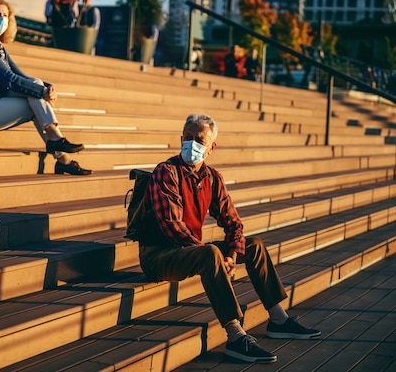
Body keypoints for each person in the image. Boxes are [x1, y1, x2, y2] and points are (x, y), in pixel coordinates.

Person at [136, 113, 320, 363]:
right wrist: (212, 255)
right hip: (158, 256)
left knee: (253, 246)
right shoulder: (166, 172)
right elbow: (172, 225)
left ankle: (279, 319)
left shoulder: (212, 177)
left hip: (189, 252)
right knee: (209, 253)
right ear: (180, 139)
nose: (192, 144)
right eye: (188, 138)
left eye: (199, 140)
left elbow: (233, 222)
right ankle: (235, 336)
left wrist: (232, 254)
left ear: (211, 148)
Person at [0, 0, 91, 176]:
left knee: (35, 87)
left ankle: (61, 155)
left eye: (5, 15)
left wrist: (48, 87)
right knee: (35, 99)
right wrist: (41, 92)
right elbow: (9, 80)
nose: (1, 19)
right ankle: (58, 146)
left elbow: (22, 76)